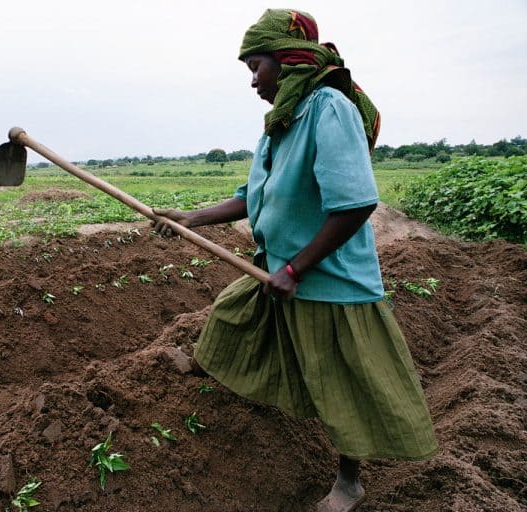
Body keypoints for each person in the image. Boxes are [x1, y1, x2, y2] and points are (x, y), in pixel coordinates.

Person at [152, 9, 438, 512]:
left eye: (256, 66)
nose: (252, 80)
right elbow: (252, 195)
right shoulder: (281, 122)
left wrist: (295, 269)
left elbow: (354, 203)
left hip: (327, 277)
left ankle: (349, 483)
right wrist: (190, 217)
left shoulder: (329, 108)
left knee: (341, 382)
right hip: (278, 263)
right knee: (231, 313)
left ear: (287, 61)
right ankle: (203, 367)